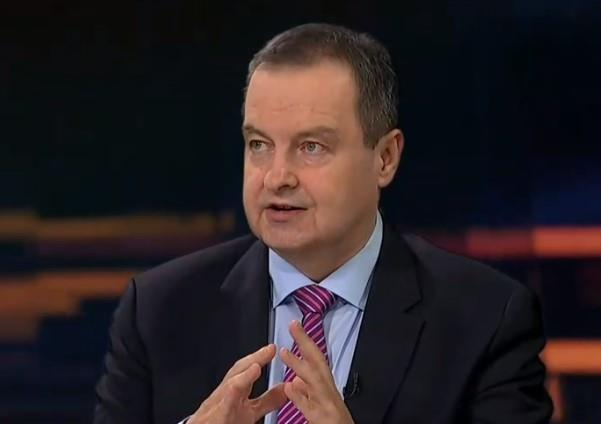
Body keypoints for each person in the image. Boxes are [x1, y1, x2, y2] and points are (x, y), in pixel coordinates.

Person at [94, 23, 552, 424]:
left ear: (385, 158)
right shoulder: (158, 311)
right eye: (259, 145)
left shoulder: (486, 320)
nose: (277, 177)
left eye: (311, 147)